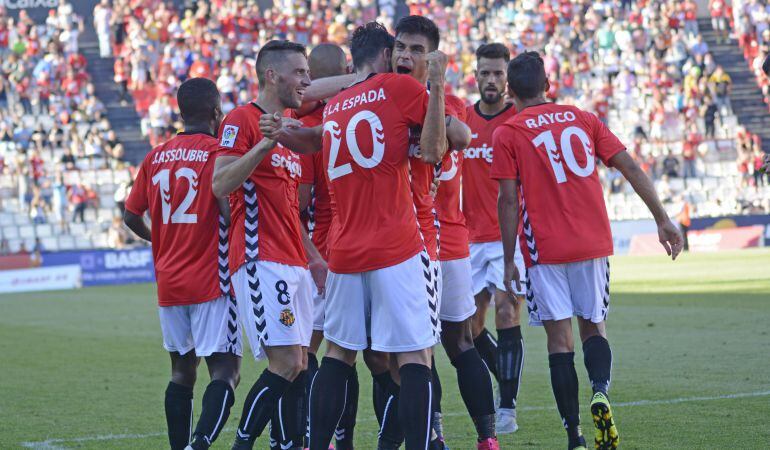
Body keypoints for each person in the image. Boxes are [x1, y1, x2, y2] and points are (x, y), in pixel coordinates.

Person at [266, 21, 448, 450]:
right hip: (396, 246)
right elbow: (437, 148)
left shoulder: (337, 105)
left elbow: (314, 140)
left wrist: (285, 132)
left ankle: (319, 444)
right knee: (414, 357)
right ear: (386, 56)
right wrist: (436, 86)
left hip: (344, 251)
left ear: (355, 61)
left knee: (337, 354)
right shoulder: (399, 90)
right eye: (399, 51)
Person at [491, 51, 683, 450]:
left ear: (510, 90)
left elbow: (508, 201)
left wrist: (509, 258)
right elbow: (629, 166)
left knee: (560, 342)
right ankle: (600, 391)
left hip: (544, 250)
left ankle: (574, 435)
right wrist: (662, 219)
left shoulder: (508, 133)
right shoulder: (584, 118)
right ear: (548, 84)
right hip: (592, 242)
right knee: (594, 327)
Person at [211, 40, 324, 450]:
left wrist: (314, 259)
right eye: (299, 72)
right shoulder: (242, 119)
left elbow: (290, 209)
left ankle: (288, 443)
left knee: (301, 363)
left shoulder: (291, 125)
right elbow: (220, 184)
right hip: (261, 259)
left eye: (308, 72)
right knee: (288, 361)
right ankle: (243, 442)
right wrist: (264, 145)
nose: (306, 80)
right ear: (272, 75)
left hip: (294, 262)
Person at [123, 77, 241, 450]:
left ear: (181, 112)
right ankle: (200, 444)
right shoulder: (217, 154)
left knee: (181, 372)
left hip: (169, 282)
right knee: (226, 370)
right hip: (212, 278)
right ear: (215, 112)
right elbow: (228, 209)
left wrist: (161, 239)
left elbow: (130, 216)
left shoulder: (156, 155)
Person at [294, 43, 357, 450]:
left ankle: (312, 438)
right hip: (367, 250)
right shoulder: (362, 115)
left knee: (312, 354)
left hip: (324, 253)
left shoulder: (308, 127)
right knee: (375, 356)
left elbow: (297, 206)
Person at [462, 42, 527, 435]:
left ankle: (507, 406)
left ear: (508, 78)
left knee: (507, 311)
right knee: (468, 328)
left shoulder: (517, 121)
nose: (491, 80)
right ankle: (504, 375)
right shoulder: (460, 120)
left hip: (508, 237)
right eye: (484, 73)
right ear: (475, 76)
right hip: (465, 240)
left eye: (498, 74)